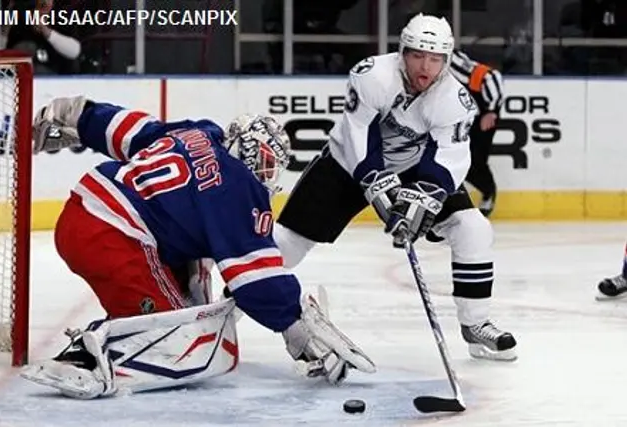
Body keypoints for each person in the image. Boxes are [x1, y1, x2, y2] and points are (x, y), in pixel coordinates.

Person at [20, 97, 376, 399]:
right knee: (184, 338)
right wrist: (294, 324)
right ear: (248, 149)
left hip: (85, 211)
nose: (266, 173)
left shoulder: (199, 132)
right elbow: (254, 278)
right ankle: (87, 356)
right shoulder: (239, 188)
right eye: (266, 161)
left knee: (194, 275)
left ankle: (116, 331)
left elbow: (128, 128)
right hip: (113, 233)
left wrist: (77, 115)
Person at [272, 13, 518, 361]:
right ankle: (233, 303)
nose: (425, 67)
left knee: (473, 228)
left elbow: (449, 156)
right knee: (289, 243)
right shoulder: (372, 75)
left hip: (411, 168)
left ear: (446, 61)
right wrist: (380, 189)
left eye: (435, 59)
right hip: (346, 164)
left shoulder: (455, 101)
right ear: (402, 51)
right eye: (417, 55)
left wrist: (427, 195)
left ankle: (475, 325)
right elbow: (361, 137)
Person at [449, 49, 504, 217]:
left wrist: (492, 110)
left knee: (475, 159)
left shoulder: (452, 63)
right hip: (460, 119)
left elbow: (490, 75)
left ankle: (488, 192)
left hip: (482, 118)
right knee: (454, 160)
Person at [5, 0, 81, 74]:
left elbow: (74, 51)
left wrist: (47, 32)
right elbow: (7, 51)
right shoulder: (21, 20)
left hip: (60, 77)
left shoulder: (63, 18)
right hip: (23, 76)